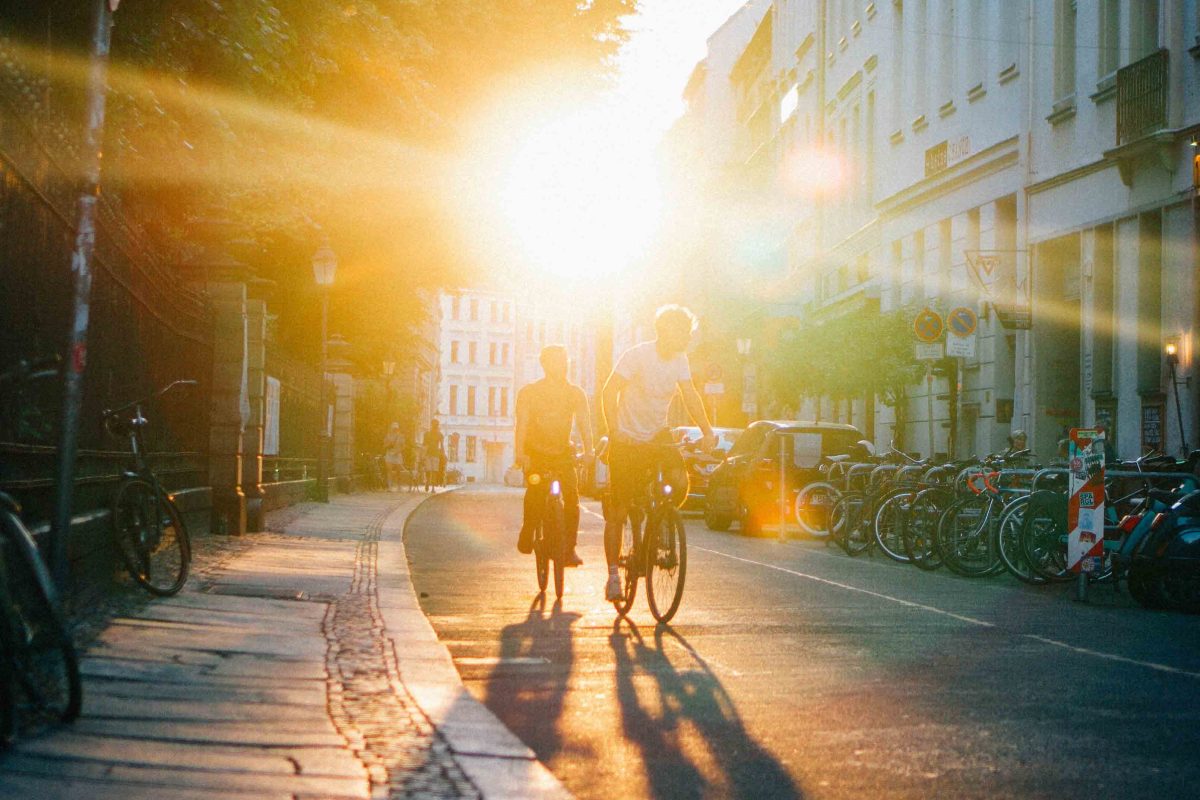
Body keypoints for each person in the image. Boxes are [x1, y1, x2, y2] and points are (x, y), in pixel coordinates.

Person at [600, 305, 717, 602]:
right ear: (665, 331)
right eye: (684, 334)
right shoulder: (638, 356)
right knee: (618, 511)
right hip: (626, 438)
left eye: (689, 334)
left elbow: (689, 394)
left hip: (657, 434)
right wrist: (614, 430)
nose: (687, 339)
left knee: (679, 481)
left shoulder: (680, 360)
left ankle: (661, 521)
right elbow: (609, 391)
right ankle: (613, 574)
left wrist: (707, 431)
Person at [513, 345, 594, 566]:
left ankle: (569, 549)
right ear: (545, 365)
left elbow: (585, 425)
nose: (560, 366)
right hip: (536, 453)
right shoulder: (530, 392)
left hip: (562, 453)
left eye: (563, 362)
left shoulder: (575, 394)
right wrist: (520, 453)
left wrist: (589, 451)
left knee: (572, 499)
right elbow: (522, 424)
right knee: (536, 491)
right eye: (554, 362)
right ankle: (529, 528)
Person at [422, 418, 446, 492]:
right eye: (434, 425)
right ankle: (429, 483)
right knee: (430, 470)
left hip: (434, 454)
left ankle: (431, 485)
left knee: (432, 471)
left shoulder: (439, 435)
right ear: (432, 425)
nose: (435, 426)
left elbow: (441, 445)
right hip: (431, 454)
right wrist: (443, 454)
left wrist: (443, 454)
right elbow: (425, 445)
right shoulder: (428, 434)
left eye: (436, 425)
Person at [383, 422, 406, 492]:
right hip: (389, 454)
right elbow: (384, 446)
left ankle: (399, 486)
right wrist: (389, 444)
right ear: (391, 428)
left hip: (397, 454)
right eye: (393, 428)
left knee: (398, 471)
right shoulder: (388, 436)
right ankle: (390, 486)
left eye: (396, 428)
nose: (395, 429)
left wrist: (398, 451)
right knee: (389, 470)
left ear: (398, 428)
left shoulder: (401, 436)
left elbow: (404, 446)